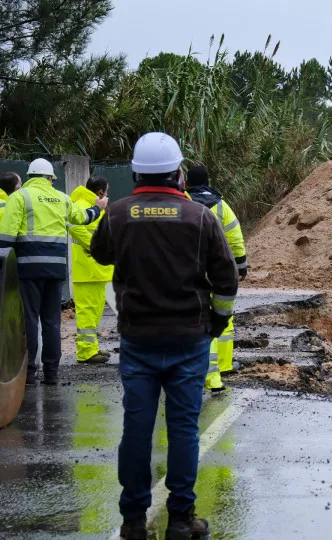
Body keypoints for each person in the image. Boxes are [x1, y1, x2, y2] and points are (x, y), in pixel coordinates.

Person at [90, 133, 238, 539]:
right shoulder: (200, 217)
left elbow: (100, 253)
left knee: (137, 429)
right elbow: (227, 279)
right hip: (189, 339)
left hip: (138, 340)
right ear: (179, 173)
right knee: (184, 428)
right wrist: (218, 324)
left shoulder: (117, 214)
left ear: (137, 172)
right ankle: (180, 519)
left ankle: (134, 522)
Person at [0, 159, 106, 385]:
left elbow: (6, 238)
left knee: (29, 318)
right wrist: (99, 207)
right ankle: (52, 373)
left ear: (30, 177)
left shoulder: (19, 197)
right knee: (51, 321)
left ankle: (28, 373)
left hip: (28, 268)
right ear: (50, 178)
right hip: (56, 269)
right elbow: (83, 218)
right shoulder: (61, 198)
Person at [184, 165, 247, 392]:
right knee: (223, 317)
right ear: (208, 180)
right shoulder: (221, 205)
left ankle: (202, 374)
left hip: (190, 269)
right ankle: (224, 365)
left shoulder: (181, 202)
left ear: (186, 183)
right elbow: (236, 236)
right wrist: (241, 266)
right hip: (219, 268)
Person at [69, 176, 114, 364]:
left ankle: (91, 348)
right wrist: (93, 246)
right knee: (88, 311)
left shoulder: (93, 205)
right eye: (107, 190)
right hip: (88, 268)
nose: (108, 194)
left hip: (94, 268)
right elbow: (73, 225)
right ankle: (86, 351)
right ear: (101, 191)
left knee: (94, 312)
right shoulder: (81, 204)